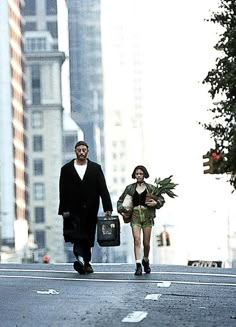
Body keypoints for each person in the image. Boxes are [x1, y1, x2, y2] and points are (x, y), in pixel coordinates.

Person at [58, 141, 113, 274]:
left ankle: (86, 262)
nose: (81, 152)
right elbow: (63, 190)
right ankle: (80, 258)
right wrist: (63, 209)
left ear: (87, 151)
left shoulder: (96, 168)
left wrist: (107, 207)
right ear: (75, 151)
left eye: (84, 150)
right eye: (79, 150)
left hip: (90, 208)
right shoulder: (66, 169)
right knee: (77, 235)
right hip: (73, 209)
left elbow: (103, 189)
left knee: (88, 236)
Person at [117, 165, 164, 276]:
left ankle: (145, 260)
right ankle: (138, 265)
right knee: (136, 240)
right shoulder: (130, 188)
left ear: (144, 175)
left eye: (141, 173)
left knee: (146, 243)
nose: (139, 175)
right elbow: (120, 201)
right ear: (134, 175)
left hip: (147, 216)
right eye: (137, 173)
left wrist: (155, 203)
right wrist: (122, 210)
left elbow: (161, 199)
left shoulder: (151, 188)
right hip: (135, 216)